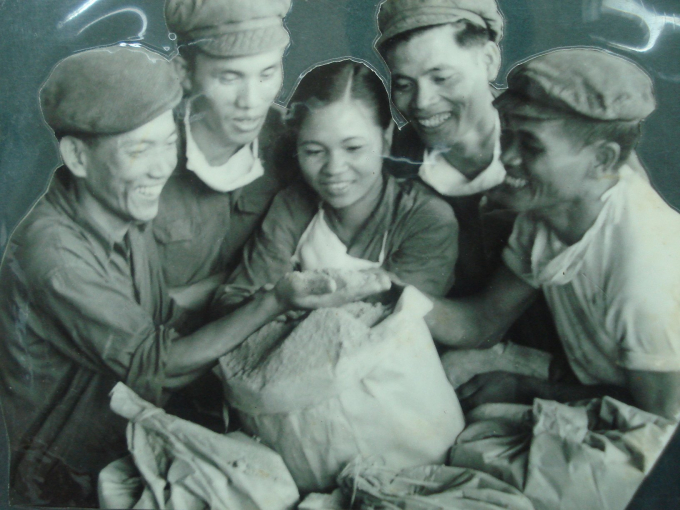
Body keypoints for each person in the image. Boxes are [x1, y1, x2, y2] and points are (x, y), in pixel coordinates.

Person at [0, 46, 390, 507]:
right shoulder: (55, 256)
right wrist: (274, 301)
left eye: (168, 144)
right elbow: (160, 366)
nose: (162, 167)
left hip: (130, 442)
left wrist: (266, 289)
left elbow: (160, 315)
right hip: (70, 480)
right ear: (78, 157)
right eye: (139, 149)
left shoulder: (120, 212)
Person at [425, 48, 680, 420]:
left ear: (603, 160)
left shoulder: (644, 273)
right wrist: (390, 293)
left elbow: (659, 420)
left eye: (530, 145)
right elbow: (482, 323)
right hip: (603, 385)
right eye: (507, 135)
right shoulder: (550, 209)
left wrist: (526, 389)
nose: (507, 157)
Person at [213, 60, 458, 312]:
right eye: (314, 151)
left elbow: (402, 324)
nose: (334, 168)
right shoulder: (293, 204)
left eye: (353, 148)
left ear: (386, 139)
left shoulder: (426, 219)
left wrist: (276, 308)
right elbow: (233, 301)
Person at [154, 0, 292, 312]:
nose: (252, 101)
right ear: (184, 73)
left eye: (267, 73)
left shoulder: (295, 143)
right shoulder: (143, 156)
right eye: (229, 78)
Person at [376, 0, 508, 297]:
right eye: (405, 85)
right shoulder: (387, 168)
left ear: (488, 60)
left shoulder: (557, 140)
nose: (422, 102)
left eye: (441, 78)